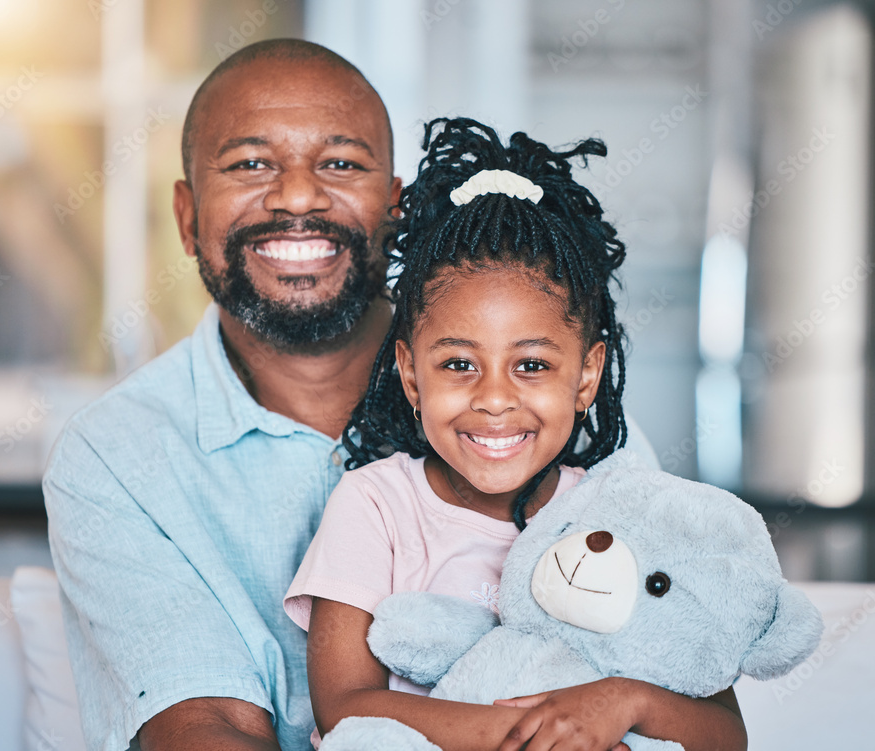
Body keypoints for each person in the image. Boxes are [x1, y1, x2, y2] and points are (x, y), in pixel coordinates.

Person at [284, 118, 748, 750]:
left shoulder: (623, 513)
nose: (495, 398)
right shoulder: (375, 506)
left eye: (532, 365)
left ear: (587, 376)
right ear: (410, 375)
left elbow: (726, 733)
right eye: (457, 365)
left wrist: (623, 702)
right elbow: (344, 708)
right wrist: (535, 735)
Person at [43, 39, 401, 751]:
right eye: (249, 164)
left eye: (340, 163)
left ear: (395, 209)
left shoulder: (526, 402)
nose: (298, 196)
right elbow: (208, 726)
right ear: (187, 216)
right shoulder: (113, 456)